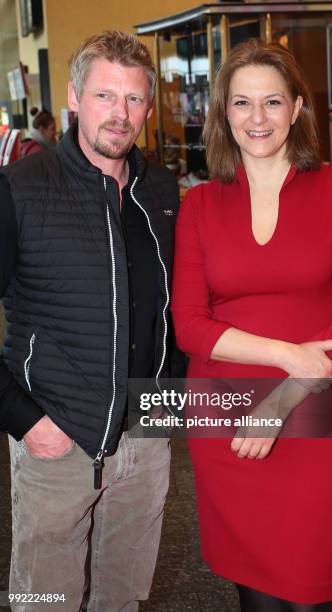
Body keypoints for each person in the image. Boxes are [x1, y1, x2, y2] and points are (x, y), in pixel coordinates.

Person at [172, 39, 332, 611]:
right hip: (225, 414)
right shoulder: (201, 204)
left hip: (317, 403)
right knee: (258, 595)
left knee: (311, 590)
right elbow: (189, 325)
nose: (257, 118)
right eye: (241, 103)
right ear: (223, 113)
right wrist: (288, 355)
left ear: (297, 108)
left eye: (272, 102)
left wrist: (283, 395)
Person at [0, 30, 181, 611]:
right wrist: (24, 420)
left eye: (133, 100)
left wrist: (167, 406)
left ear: (148, 109)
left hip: (143, 443)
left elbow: (172, 308)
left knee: (123, 598)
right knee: (46, 600)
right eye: (105, 96)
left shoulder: (161, 191)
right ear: (75, 98)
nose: (119, 114)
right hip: (56, 440)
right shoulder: (22, 189)